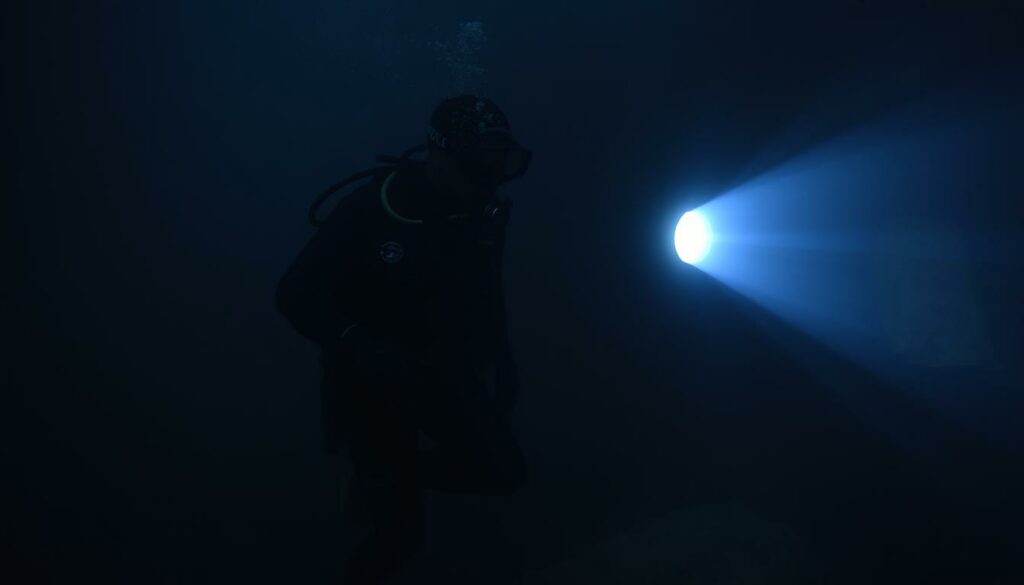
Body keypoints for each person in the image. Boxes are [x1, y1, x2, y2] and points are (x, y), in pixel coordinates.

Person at [276, 95, 533, 584]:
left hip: (439, 371)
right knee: (401, 536)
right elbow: (292, 292)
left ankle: (385, 475)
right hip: (370, 384)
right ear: (439, 157)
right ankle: (379, 479)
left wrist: (505, 360)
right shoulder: (374, 209)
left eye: (501, 165)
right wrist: (357, 344)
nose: (490, 179)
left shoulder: (483, 215)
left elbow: (489, 288)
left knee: (506, 472)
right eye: (479, 164)